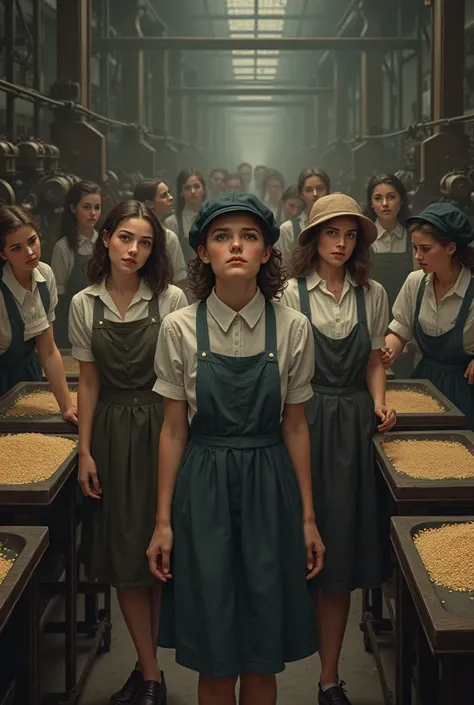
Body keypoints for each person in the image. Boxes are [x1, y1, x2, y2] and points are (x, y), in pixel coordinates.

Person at [147, 193, 324, 705]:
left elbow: (295, 426)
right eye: (222, 238)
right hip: (203, 484)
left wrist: (308, 518)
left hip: (271, 482)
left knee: (262, 650)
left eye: (249, 237)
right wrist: (163, 523)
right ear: (202, 252)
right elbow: (173, 430)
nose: (236, 247)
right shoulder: (180, 327)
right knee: (216, 650)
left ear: (268, 251)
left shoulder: (293, 327)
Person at [70, 201, 188, 705]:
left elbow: (183, 384)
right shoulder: (84, 303)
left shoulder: (171, 300)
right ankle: (150, 672)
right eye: (124, 238)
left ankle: (148, 671)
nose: (133, 250)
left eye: (144, 242)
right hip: (113, 438)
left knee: (157, 557)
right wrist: (84, 451)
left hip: (163, 429)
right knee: (123, 556)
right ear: (105, 239)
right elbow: (89, 382)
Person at [281, 193, 396, 705]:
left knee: (340, 558)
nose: (342, 244)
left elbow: (374, 361)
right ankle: (269, 671)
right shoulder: (287, 293)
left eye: (350, 235)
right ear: (313, 239)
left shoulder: (371, 293)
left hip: (351, 428)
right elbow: (279, 370)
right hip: (300, 423)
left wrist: (379, 403)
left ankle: (329, 678)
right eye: (332, 233)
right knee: (290, 548)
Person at [382, 203, 474, 429]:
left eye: (425, 249)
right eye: (414, 248)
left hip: (465, 388)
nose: (417, 256)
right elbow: (401, 329)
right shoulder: (416, 282)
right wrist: (385, 353)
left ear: (451, 248)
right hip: (424, 384)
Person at [0, 205, 77, 424]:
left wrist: (67, 407)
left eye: (32, 241)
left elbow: (49, 350)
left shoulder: (45, 274)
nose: (30, 252)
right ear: (2, 253)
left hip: (29, 375)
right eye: (16, 248)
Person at [365, 173, 414, 377]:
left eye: (391, 197)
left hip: (406, 321)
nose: (385, 203)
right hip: (370, 319)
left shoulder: (414, 237)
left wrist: (406, 337)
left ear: (401, 201)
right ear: (371, 204)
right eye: (378, 198)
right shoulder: (363, 239)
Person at [51, 181, 102, 347]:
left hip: (103, 321)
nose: (93, 213)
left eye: (97, 207)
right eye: (86, 207)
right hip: (72, 322)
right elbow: (58, 295)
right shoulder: (63, 247)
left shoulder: (106, 243)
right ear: (73, 208)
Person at [133, 178, 187, 289]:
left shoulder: (168, 237)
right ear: (149, 203)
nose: (170, 197)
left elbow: (178, 279)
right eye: (164, 196)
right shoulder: (168, 237)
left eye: (169, 193)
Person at [276, 168, 331, 267]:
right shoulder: (288, 229)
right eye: (308, 190)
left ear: (327, 191)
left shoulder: (338, 223)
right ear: (301, 194)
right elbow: (282, 269)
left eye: (320, 188)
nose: (315, 194)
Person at [165, 169, 206, 263]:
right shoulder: (172, 222)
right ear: (181, 193)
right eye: (187, 188)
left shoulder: (214, 218)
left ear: (203, 189)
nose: (193, 191)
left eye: (197, 186)